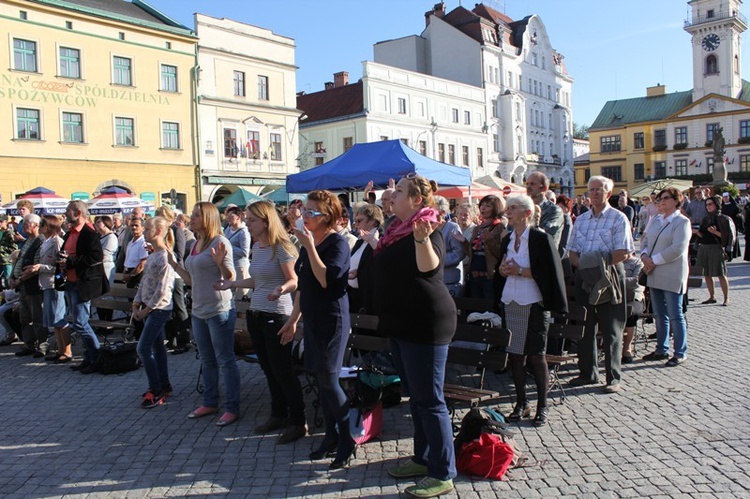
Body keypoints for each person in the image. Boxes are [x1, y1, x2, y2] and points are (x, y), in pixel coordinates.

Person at [375, 174, 457, 498]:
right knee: (418, 399)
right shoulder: (395, 231)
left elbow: (429, 268)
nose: (392, 196)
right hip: (400, 324)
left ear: (417, 201)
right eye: (393, 191)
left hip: (426, 324)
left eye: (399, 192)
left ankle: (443, 472)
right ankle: (423, 458)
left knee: (431, 401)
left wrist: (422, 241)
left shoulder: (426, 228)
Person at [218, 200, 306, 444]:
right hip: (257, 314)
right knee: (268, 369)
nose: (247, 222)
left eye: (252, 219)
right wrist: (233, 284)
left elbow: (294, 281)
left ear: (266, 221)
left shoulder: (282, 247)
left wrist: (281, 288)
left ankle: (298, 421)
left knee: (283, 371)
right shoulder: (259, 247)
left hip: (277, 315)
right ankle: (278, 414)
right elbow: (256, 280)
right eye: (247, 219)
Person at [278, 190, 353, 469]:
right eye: (305, 211)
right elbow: (304, 286)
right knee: (321, 381)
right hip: (312, 318)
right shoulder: (309, 241)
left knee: (331, 381)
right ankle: (331, 437)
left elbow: (325, 280)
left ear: (328, 217)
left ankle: (347, 440)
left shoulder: (337, 244)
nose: (304, 216)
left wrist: (309, 247)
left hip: (332, 320)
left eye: (312, 213)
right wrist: (294, 319)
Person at [496, 195, 567, 427]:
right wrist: (503, 269)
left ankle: (542, 406)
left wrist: (519, 271)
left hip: (534, 302)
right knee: (516, 355)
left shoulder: (539, 238)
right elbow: (502, 266)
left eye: (513, 208)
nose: (508, 211)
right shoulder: (507, 237)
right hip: (512, 300)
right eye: (507, 208)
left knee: (537, 356)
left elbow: (548, 273)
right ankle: (521, 402)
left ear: (526, 213)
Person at [169, 202, 240, 426]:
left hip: (218, 310)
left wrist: (221, 264)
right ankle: (210, 401)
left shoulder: (221, 242)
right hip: (199, 309)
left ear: (208, 218)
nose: (192, 217)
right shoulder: (196, 243)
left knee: (225, 360)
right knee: (207, 359)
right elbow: (191, 280)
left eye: (198, 215)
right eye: (193, 214)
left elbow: (230, 278)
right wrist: (174, 265)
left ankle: (232, 407)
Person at [567, 176, 634, 393]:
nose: (595, 192)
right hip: (585, 278)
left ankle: (613, 377)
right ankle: (588, 373)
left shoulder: (618, 218)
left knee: (611, 328)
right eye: (591, 189)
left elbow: (623, 252)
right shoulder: (582, 219)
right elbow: (573, 251)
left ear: (608, 192)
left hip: (610, 276)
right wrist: (586, 268)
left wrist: (599, 268)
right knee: (585, 328)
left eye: (600, 189)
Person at [640, 188, 692, 366]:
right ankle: (662, 348)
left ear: (676, 201)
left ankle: (680, 352)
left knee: (675, 313)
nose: (661, 201)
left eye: (665, 198)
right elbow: (645, 241)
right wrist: (644, 256)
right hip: (653, 272)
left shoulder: (681, 222)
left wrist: (653, 260)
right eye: (659, 199)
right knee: (659, 314)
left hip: (671, 272)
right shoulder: (656, 219)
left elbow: (677, 248)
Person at [133, 217, 176, 408]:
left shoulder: (166, 257)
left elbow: (163, 290)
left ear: (158, 231)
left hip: (159, 309)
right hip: (149, 308)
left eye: (148, 228)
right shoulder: (153, 254)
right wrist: (136, 302)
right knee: (157, 347)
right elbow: (145, 282)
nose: (144, 230)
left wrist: (146, 310)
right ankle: (164, 384)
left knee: (143, 348)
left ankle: (156, 390)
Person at [61, 201, 106, 374]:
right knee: (78, 321)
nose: (65, 214)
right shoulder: (70, 233)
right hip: (71, 281)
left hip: (83, 283)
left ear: (78, 213)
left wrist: (70, 261)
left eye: (68, 211)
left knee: (80, 323)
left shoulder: (88, 233)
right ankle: (89, 357)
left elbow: (95, 257)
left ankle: (96, 357)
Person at [34, 215, 70, 363]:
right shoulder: (46, 241)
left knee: (59, 316)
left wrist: (40, 267)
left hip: (56, 283)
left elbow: (59, 265)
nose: (40, 227)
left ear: (48, 227)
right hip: (46, 283)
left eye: (42, 225)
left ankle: (67, 351)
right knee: (53, 319)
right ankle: (59, 349)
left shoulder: (57, 241)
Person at [155, 206, 191, 355]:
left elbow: (180, 254)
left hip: (176, 274)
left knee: (178, 306)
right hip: (164, 273)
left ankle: (184, 340)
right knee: (167, 307)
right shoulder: (162, 232)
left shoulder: (177, 231)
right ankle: (171, 339)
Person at [457, 195, 506, 300]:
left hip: (489, 277)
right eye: (482, 205)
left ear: (495, 208)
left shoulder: (499, 227)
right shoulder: (477, 228)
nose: (483, 208)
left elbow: (500, 253)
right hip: (474, 276)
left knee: (489, 309)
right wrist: (464, 241)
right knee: (476, 309)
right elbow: (471, 253)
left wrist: (490, 241)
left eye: (487, 206)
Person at [12, 214, 46, 357]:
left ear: (35, 225)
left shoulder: (40, 241)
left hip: (33, 285)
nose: (24, 226)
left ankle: (43, 345)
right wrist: (12, 277)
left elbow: (34, 267)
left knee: (37, 317)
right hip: (23, 286)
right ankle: (29, 344)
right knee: (24, 317)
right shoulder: (28, 241)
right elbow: (20, 260)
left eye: (26, 224)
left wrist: (19, 279)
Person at [694, 195, 732, 306]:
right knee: (707, 274)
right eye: (707, 205)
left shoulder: (723, 218)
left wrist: (715, 232)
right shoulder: (705, 219)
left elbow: (727, 237)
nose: (708, 207)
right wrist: (696, 232)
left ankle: (726, 298)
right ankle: (712, 296)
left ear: (716, 205)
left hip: (716, 248)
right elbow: (702, 234)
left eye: (710, 204)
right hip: (704, 247)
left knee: (721, 274)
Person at [347, 203, 383, 313]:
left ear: (373, 221)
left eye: (360, 220)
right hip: (355, 296)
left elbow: (382, 262)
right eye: (355, 220)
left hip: (370, 299)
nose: (356, 224)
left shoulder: (381, 239)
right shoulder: (360, 241)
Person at [434, 196, 465, 297]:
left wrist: (437, 261)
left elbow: (459, 253)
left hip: (450, 281)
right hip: (436, 280)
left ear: (442, 212)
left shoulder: (452, 227)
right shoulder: (430, 229)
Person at [526, 172, 564, 248]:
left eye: (532, 184)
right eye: (527, 184)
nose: (528, 187)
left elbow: (543, 233)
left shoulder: (554, 210)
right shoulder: (524, 209)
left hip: (544, 255)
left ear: (544, 188)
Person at [620, 252, 645, 364]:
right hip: (616, 297)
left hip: (634, 298)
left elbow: (635, 281)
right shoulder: (613, 260)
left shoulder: (637, 262)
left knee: (629, 310)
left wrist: (616, 280)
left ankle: (627, 347)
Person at [223, 206, 251, 300]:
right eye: (227, 216)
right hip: (229, 265)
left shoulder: (244, 232)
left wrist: (229, 246)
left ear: (238, 217)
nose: (228, 218)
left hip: (240, 267)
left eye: (231, 216)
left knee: (240, 297)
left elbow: (245, 252)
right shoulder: (227, 229)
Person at [94, 216, 118, 321]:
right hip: (98, 268)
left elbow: (104, 253)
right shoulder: (99, 237)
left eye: (99, 222)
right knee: (99, 295)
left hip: (107, 268)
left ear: (105, 223)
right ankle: (101, 319)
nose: (96, 224)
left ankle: (107, 321)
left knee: (106, 294)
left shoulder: (111, 237)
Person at [122, 216, 148, 289]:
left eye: (136, 225)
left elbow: (142, 264)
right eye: (132, 225)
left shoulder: (143, 243)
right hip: (129, 273)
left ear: (143, 228)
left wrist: (130, 276)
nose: (133, 227)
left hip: (137, 275)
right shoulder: (130, 242)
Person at [0, 214, 17, 287]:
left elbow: (14, 248)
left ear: (6, 222)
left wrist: (2, 249)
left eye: (1, 221)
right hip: (1, 260)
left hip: (7, 261)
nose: (0, 223)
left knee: (8, 280)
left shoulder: (10, 233)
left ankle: (10, 296)